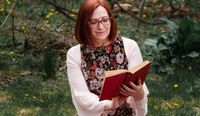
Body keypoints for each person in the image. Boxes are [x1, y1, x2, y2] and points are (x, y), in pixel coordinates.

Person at [66, 0, 149, 115]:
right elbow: (82, 95)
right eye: (94, 22)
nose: (101, 26)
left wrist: (139, 94)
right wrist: (110, 105)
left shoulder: (130, 46)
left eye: (105, 20)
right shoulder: (74, 54)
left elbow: (138, 84)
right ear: (84, 24)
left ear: (111, 20)